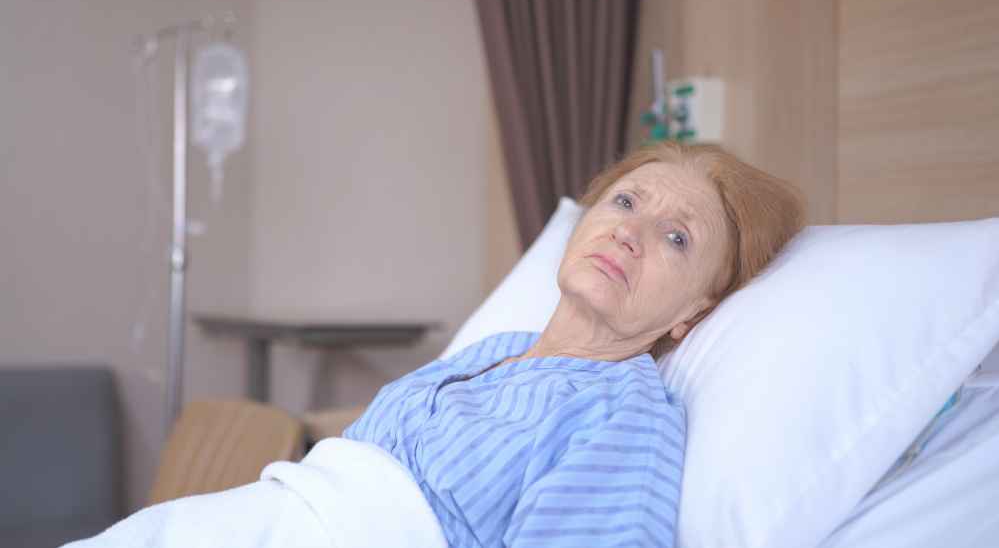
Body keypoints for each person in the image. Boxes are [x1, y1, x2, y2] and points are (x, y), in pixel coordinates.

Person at [66, 142, 804, 548]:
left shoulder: (625, 413)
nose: (630, 232)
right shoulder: (494, 350)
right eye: (625, 201)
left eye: (676, 238)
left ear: (692, 313)